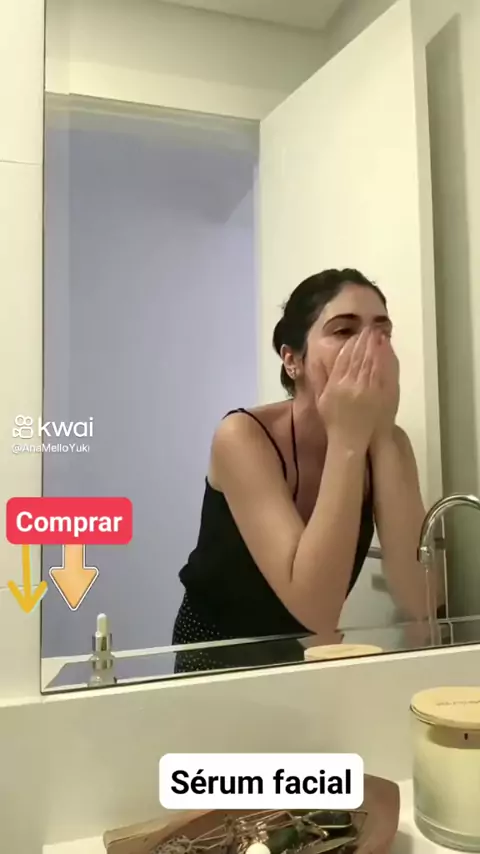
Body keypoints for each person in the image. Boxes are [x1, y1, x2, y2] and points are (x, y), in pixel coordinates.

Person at [172, 268, 444, 667]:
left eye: (382, 332)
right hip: (216, 647)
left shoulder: (389, 443)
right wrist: (348, 439)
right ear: (292, 360)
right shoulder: (242, 437)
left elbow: (421, 600)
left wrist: (382, 434)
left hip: (300, 649)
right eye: (344, 331)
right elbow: (315, 609)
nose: (368, 347)